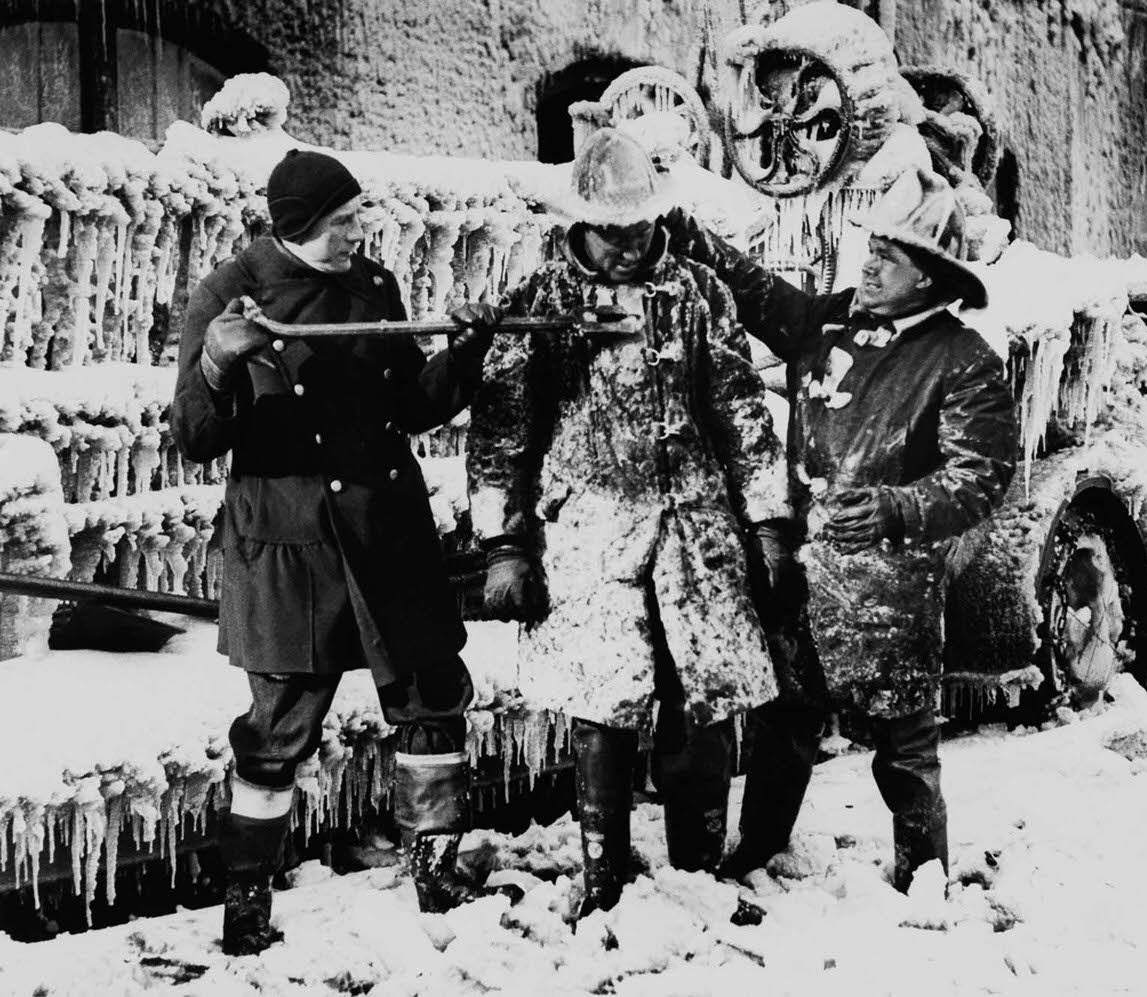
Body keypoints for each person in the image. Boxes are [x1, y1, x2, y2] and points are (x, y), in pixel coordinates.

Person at [172, 149, 497, 955]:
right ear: (302, 226)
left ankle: (436, 864)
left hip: (386, 528)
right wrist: (218, 360)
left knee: (432, 696)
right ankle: (247, 900)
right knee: (277, 726)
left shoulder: (373, 286)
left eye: (357, 216)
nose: (361, 230)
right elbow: (193, 436)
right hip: (292, 544)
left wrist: (465, 353)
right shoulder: (227, 293)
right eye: (344, 220)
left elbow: (413, 406)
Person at [465, 128, 794, 916]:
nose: (627, 245)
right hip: (589, 532)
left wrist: (769, 522)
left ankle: (697, 868)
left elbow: (742, 413)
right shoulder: (542, 300)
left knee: (703, 695)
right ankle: (604, 871)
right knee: (599, 700)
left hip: (696, 531)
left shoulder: (699, 293)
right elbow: (502, 432)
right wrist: (505, 546)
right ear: (582, 222)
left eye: (641, 229)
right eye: (612, 232)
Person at [663, 167, 1018, 892]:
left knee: (904, 744)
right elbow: (765, 300)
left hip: (887, 587)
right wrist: (697, 242)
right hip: (801, 568)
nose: (870, 264)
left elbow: (980, 475)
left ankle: (924, 877)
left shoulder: (963, 361)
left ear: (930, 278)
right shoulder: (833, 322)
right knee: (785, 724)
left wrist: (896, 508)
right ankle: (758, 849)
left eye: (889, 257)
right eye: (872, 249)